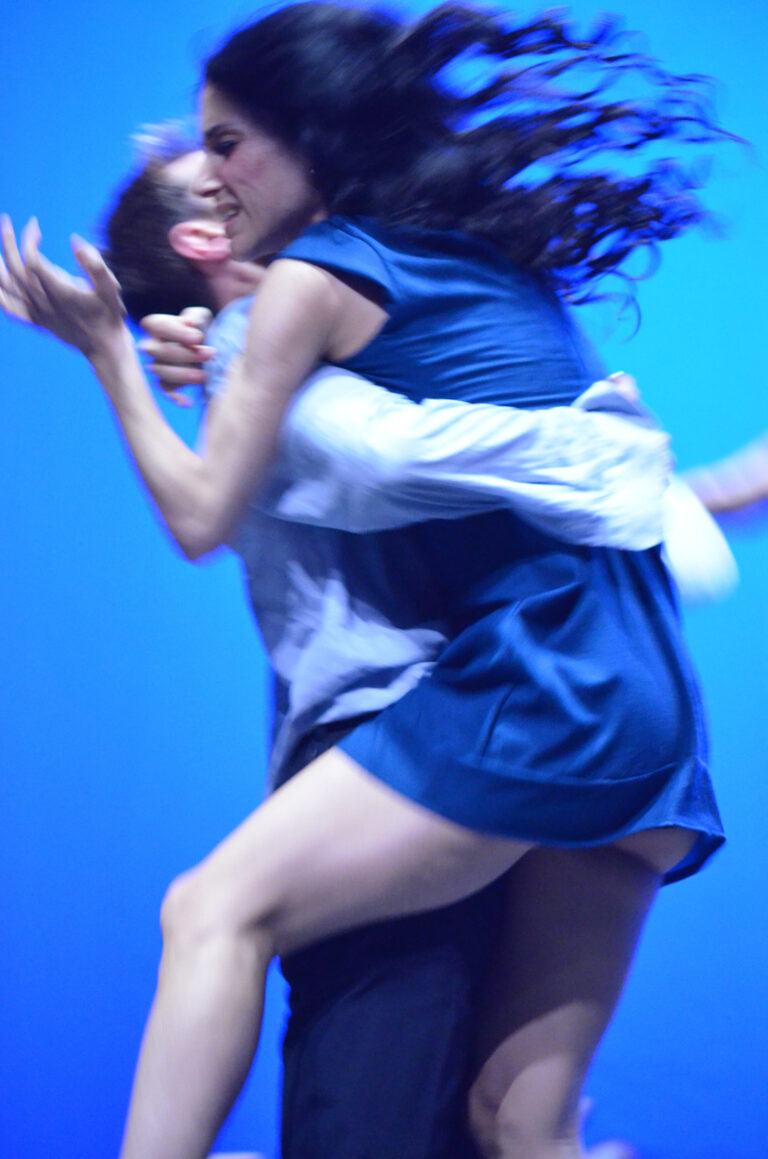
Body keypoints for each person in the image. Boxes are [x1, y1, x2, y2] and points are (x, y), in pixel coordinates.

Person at [0, 5, 733, 1157]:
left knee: (210, 910)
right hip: (652, 712)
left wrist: (109, 353)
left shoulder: (313, 281)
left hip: (546, 686)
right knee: (522, 1130)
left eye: (228, 146)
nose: (216, 182)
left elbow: (202, 516)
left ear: (311, 136)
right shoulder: (484, 263)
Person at [104, 127, 647, 1158]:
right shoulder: (261, 342)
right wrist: (603, 453)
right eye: (211, 167)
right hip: (414, 738)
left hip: (432, 737)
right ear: (203, 238)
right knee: (484, 1123)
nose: (237, 171)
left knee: (390, 1106)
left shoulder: (308, 332)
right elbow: (377, 462)